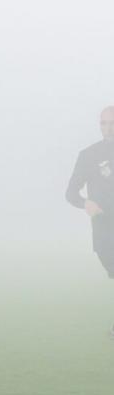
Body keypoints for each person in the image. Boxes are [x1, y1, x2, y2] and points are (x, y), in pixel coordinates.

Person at [66, 106, 114, 334]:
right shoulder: (89, 155)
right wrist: (86, 203)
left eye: (112, 122)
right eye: (104, 123)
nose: (108, 127)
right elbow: (71, 193)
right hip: (104, 232)